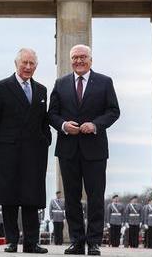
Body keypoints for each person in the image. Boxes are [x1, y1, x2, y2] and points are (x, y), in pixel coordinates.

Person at [47, 44, 120, 256]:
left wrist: (96, 125)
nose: (79, 61)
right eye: (75, 58)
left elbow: (113, 111)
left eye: (83, 57)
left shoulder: (105, 82)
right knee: (71, 197)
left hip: (95, 149)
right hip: (68, 148)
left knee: (96, 196)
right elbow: (51, 114)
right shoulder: (60, 84)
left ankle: (94, 242)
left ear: (91, 60)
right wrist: (63, 126)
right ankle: (77, 241)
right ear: (71, 60)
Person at [0, 48, 51, 254]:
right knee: (10, 197)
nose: (28, 67)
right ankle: (11, 241)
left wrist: (46, 139)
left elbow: (43, 121)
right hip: (7, 150)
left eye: (32, 64)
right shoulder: (0, 87)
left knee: (32, 198)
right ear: (16, 63)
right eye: (25, 63)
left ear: (36, 66)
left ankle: (31, 242)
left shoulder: (41, 90)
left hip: (34, 151)